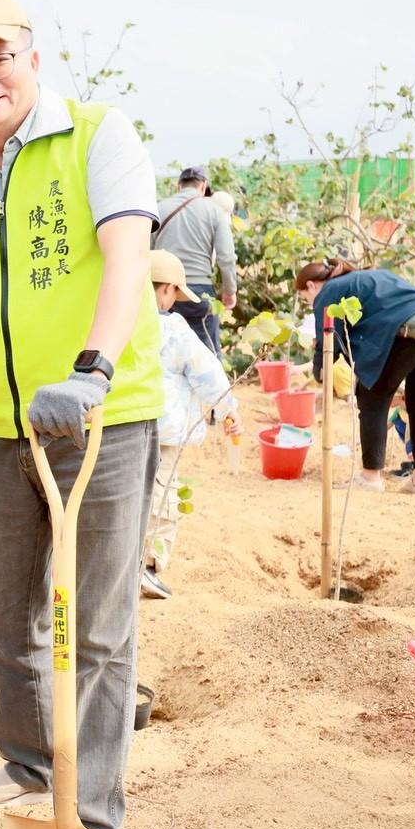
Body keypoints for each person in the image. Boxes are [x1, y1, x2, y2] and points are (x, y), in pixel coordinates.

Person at [0, 0, 162, 829]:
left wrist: (93, 370)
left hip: (100, 419)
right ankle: (29, 759)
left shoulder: (97, 134)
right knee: (5, 615)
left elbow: (126, 255)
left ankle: (88, 813)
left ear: (32, 60)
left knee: (97, 628)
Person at [294, 258, 415, 495]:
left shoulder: (329, 291)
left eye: (305, 298)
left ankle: (370, 477)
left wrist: (320, 372)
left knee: (372, 395)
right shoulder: (371, 276)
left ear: (310, 285)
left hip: (412, 332)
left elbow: (328, 340)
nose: (310, 303)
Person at [142, 251, 239, 600]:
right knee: (162, 498)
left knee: (126, 498)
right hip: (165, 433)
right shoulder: (173, 329)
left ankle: (122, 567)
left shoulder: (117, 322)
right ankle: (148, 567)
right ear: (167, 289)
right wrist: (228, 410)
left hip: (119, 429)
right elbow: (207, 375)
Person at [153, 165, 236, 355]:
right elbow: (226, 256)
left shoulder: (159, 209)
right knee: (208, 353)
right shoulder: (214, 210)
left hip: (164, 290)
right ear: (203, 186)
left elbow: (147, 252)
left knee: (165, 352)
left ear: (178, 186)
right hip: (200, 291)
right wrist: (230, 291)